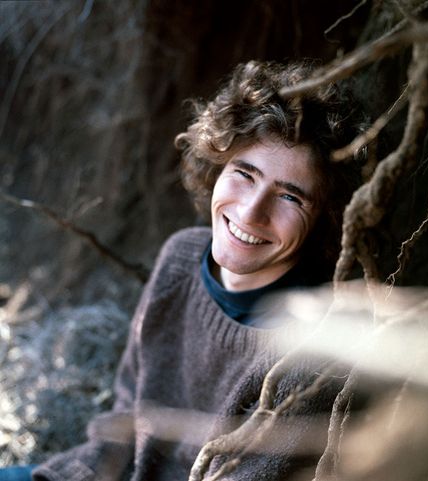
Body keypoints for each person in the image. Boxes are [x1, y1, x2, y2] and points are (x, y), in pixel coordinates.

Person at [2, 59, 365, 481]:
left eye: (290, 198)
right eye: (245, 174)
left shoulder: (312, 348)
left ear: (327, 218)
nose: (251, 212)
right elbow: (128, 409)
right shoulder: (180, 258)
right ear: (216, 167)